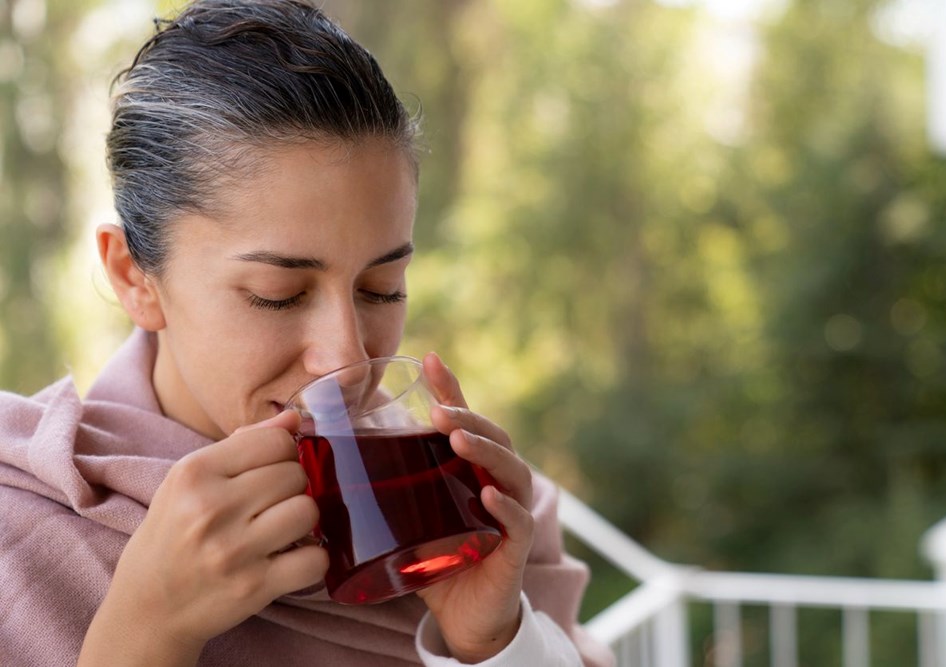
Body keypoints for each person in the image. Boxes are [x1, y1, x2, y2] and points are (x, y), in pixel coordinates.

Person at [0, 1, 615, 665]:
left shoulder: (485, 513)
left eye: (383, 287)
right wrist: (146, 628)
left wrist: (492, 644)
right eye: (278, 294)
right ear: (134, 277)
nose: (349, 360)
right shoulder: (24, 535)